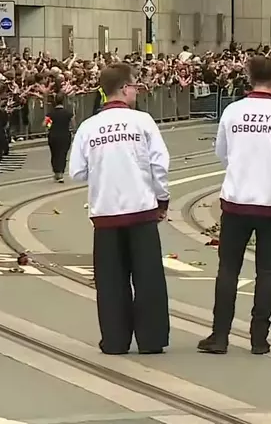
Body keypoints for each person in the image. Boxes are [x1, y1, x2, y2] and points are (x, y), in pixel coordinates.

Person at [199, 55, 271, 355]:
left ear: (249, 78)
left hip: (237, 201)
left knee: (228, 269)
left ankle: (220, 336)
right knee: (267, 270)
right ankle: (259, 338)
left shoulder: (233, 111)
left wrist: (241, 170)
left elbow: (222, 153)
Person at [69, 62, 171, 356]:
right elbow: (159, 165)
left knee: (111, 281)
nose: (137, 92)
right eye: (135, 86)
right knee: (148, 278)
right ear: (125, 88)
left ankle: (115, 340)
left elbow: (77, 172)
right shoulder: (143, 121)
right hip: (141, 210)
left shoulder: (89, 127)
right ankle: (151, 340)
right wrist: (162, 199)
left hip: (105, 213)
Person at [45, 93, 74, 183]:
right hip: (65, 135)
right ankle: (61, 173)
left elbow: (46, 124)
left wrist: (51, 125)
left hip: (53, 135)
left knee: (54, 154)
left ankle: (56, 172)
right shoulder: (68, 113)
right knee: (62, 154)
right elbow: (73, 123)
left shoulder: (51, 113)